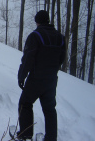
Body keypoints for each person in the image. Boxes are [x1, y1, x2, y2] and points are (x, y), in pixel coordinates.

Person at [17, 10, 66, 141]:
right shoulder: (60, 37)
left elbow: (28, 58)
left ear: (37, 21)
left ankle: (25, 135)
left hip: (36, 78)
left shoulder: (35, 36)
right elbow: (62, 58)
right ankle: (51, 138)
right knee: (50, 108)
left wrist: (21, 76)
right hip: (51, 79)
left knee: (25, 103)